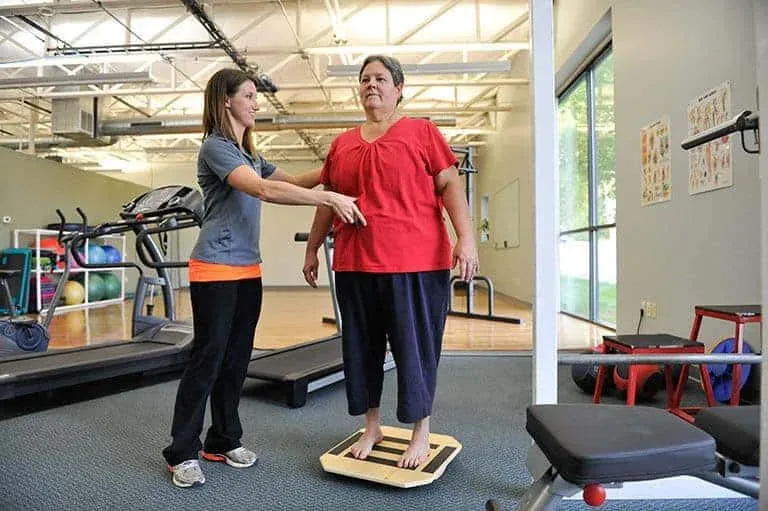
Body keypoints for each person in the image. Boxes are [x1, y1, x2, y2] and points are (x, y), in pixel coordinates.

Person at [163, 68, 366, 488]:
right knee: (208, 360)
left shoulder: (249, 153)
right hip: (215, 268)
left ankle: (222, 440)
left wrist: (337, 160)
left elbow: (291, 181)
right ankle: (181, 450)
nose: (256, 103)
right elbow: (264, 191)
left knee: (237, 360)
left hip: (247, 269)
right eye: (250, 95)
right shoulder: (217, 148)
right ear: (226, 101)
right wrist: (328, 197)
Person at [302, 55, 478, 469]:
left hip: (415, 263)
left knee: (414, 350)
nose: (371, 85)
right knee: (361, 350)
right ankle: (372, 425)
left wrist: (466, 239)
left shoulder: (421, 132)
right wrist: (311, 248)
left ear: (399, 89)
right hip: (354, 264)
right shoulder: (342, 144)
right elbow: (327, 200)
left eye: (381, 78)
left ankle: (421, 430)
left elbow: (450, 185)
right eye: (365, 79)